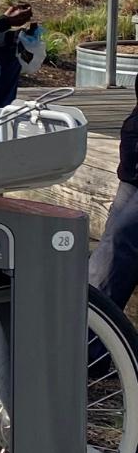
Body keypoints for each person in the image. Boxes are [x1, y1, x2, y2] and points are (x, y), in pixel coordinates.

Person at [90, 105, 138, 310]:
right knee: (113, 240)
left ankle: (88, 330)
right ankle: (80, 325)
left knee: (120, 240)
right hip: (133, 164)